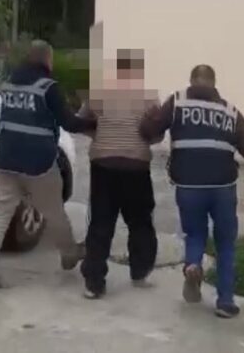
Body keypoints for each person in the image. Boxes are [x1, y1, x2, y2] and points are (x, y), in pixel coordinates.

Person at [140, 64, 244, 318]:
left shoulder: (177, 102)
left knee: (195, 234)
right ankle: (225, 302)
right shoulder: (230, 111)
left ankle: (193, 265)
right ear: (214, 83)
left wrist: (149, 118)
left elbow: (149, 131)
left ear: (192, 81)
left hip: (188, 186)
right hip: (223, 187)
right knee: (226, 243)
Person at [0, 40, 97, 293]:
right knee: (54, 211)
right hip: (38, 163)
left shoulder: (8, 85)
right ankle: (69, 253)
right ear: (47, 60)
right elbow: (69, 123)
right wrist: (94, 123)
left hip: (6, 160)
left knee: (1, 214)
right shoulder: (48, 88)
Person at [78, 49, 162, 299]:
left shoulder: (98, 95)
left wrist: (100, 137)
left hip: (103, 165)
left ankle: (94, 283)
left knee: (101, 222)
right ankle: (140, 272)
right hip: (136, 166)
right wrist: (141, 141)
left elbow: (81, 122)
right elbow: (157, 135)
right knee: (140, 221)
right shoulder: (149, 98)